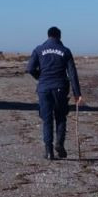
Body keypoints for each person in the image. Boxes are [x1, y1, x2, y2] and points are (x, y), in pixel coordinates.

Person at [27, 26, 82, 159]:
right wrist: (77, 94)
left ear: (48, 36)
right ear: (59, 36)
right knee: (61, 117)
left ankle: (49, 151)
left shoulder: (39, 49)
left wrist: (40, 77)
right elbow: (72, 74)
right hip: (60, 88)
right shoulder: (65, 51)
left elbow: (29, 68)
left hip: (44, 88)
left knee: (47, 119)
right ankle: (59, 143)